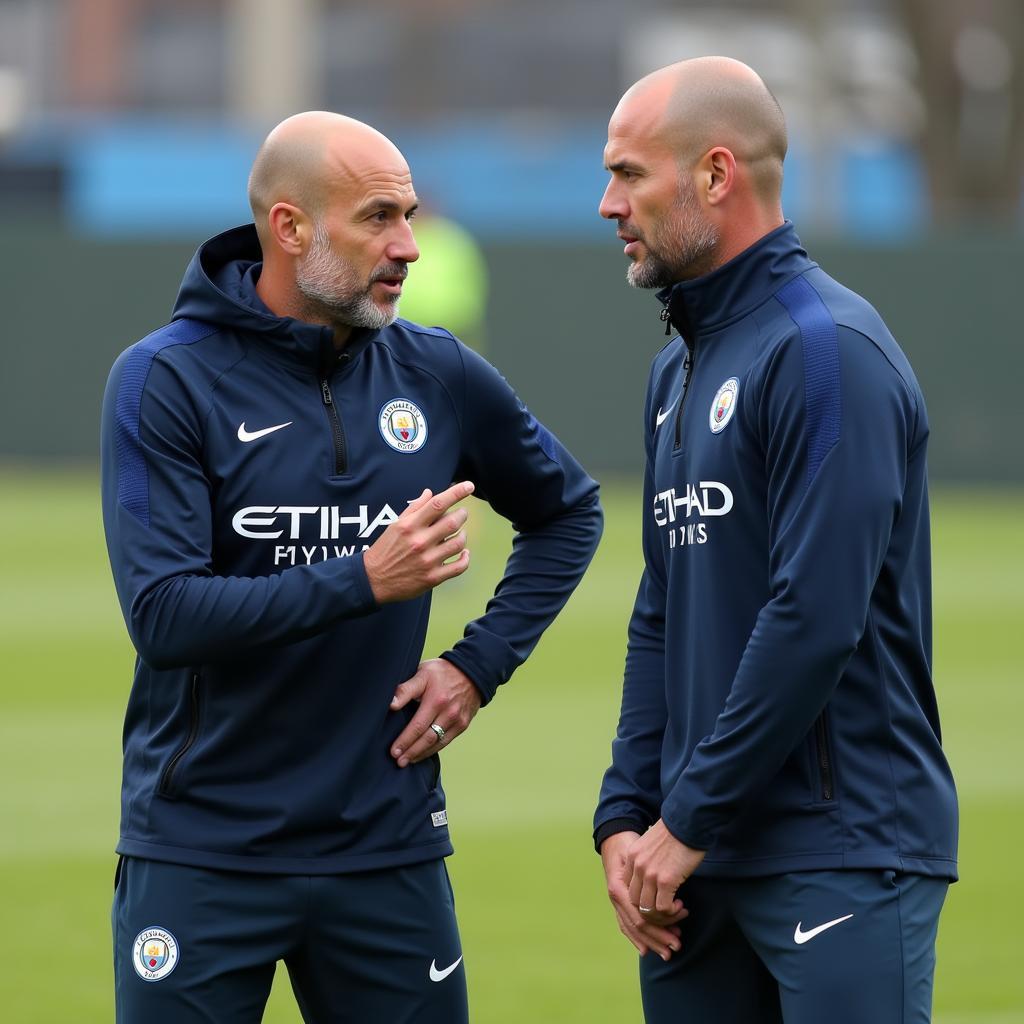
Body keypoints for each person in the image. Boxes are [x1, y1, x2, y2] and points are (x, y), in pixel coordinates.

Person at [100, 110, 602, 1023]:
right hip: (203, 852)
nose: (409, 245)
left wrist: (475, 667)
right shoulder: (163, 380)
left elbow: (569, 511)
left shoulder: (441, 374)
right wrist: (364, 579)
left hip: (386, 848)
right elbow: (165, 617)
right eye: (378, 218)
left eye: (408, 214)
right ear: (290, 227)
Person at [592, 57, 957, 1024]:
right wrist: (625, 815)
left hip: (835, 849)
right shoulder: (677, 369)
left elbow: (814, 615)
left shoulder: (827, 351)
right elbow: (660, 608)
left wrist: (686, 819)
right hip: (688, 868)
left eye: (628, 175)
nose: (606, 204)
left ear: (715, 175)